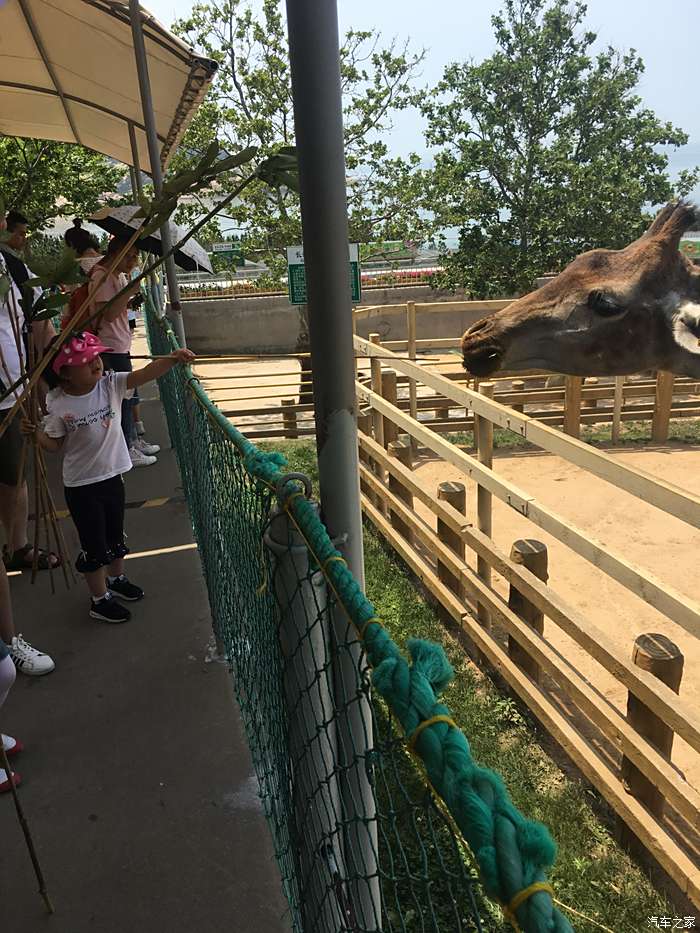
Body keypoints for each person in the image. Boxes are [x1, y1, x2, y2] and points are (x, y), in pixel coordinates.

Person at [25, 333, 194, 623]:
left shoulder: (110, 385)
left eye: (96, 357)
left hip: (112, 477)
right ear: (64, 375)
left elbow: (144, 373)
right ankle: (99, 599)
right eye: (85, 361)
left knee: (115, 534)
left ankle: (116, 579)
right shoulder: (60, 405)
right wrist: (37, 436)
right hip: (81, 486)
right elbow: (56, 445)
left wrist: (172, 359)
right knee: (94, 543)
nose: (96, 364)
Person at [0, 209, 55, 675]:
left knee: (15, 479)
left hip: (10, 394)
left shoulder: (10, 266)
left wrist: (35, 381)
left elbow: (31, 326)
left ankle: (17, 546)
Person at [88, 236, 159, 467]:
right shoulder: (102, 276)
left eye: (135, 256)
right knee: (123, 399)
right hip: (111, 347)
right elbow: (107, 314)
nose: (132, 260)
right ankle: (127, 449)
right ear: (115, 252)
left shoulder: (114, 276)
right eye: (128, 255)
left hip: (118, 344)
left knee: (128, 396)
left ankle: (131, 441)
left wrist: (129, 293)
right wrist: (130, 290)